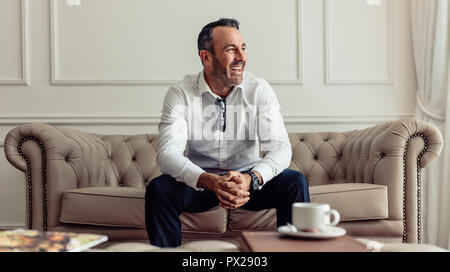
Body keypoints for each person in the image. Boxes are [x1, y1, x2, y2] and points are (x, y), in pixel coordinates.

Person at [145, 18, 310, 247]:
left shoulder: (259, 89)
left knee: (295, 182)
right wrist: (210, 181)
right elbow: (167, 154)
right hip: (202, 182)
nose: (242, 58)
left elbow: (280, 147)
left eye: (243, 48)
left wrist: (250, 178)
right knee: (159, 189)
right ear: (206, 57)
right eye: (231, 50)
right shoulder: (180, 94)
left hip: (248, 181)